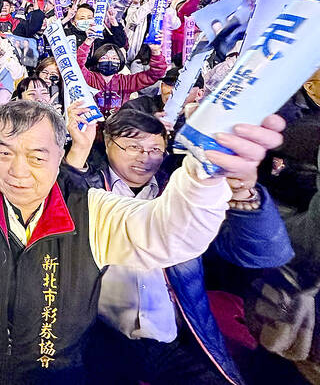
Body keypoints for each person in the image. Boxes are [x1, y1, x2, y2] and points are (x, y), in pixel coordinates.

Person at [0, 99, 284, 383]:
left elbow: (168, 235)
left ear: (60, 154)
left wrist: (205, 175)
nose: (17, 171)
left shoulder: (90, 208)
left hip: (58, 374)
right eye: (4, 153)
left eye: (36, 157)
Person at [62, 106, 293, 384]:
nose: (144, 158)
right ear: (108, 143)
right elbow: (59, 205)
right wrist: (78, 151)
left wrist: (243, 194)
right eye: (133, 147)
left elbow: (264, 253)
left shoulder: (186, 196)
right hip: (101, 337)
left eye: (155, 149)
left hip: (177, 336)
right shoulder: (89, 191)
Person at [77, 38, 167, 117]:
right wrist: (88, 42)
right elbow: (76, 66)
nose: (110, 61)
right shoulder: (90, 78)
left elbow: (155, 74)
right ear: (96, 60)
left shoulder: (127, 81)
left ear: (121, 62)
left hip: (118, 125)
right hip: (92, 125)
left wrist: (155, 52)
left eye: (115, 58)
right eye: (104, 58)